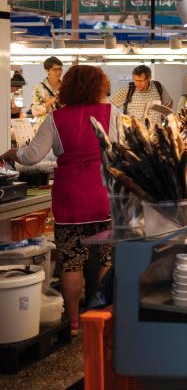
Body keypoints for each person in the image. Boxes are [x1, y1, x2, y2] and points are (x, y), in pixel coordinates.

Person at [2, 65, 118, 335]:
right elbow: (123, 150)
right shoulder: (112, 113)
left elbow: (32, 156)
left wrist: (12, 152)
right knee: (105, 259)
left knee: (71, 261)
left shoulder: (56, 118)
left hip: (70, 199)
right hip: (104, 196)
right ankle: (100, 318)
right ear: (99, 86)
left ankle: (75, 322)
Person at [30, 56, 63, 121]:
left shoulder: (66, 86)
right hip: (45, 125)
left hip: (62, 124)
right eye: (55, 69)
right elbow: (35, 111)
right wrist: (52, 100)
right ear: (47, 70)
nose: (58, 72)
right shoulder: (38, 88)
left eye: (60, 69)